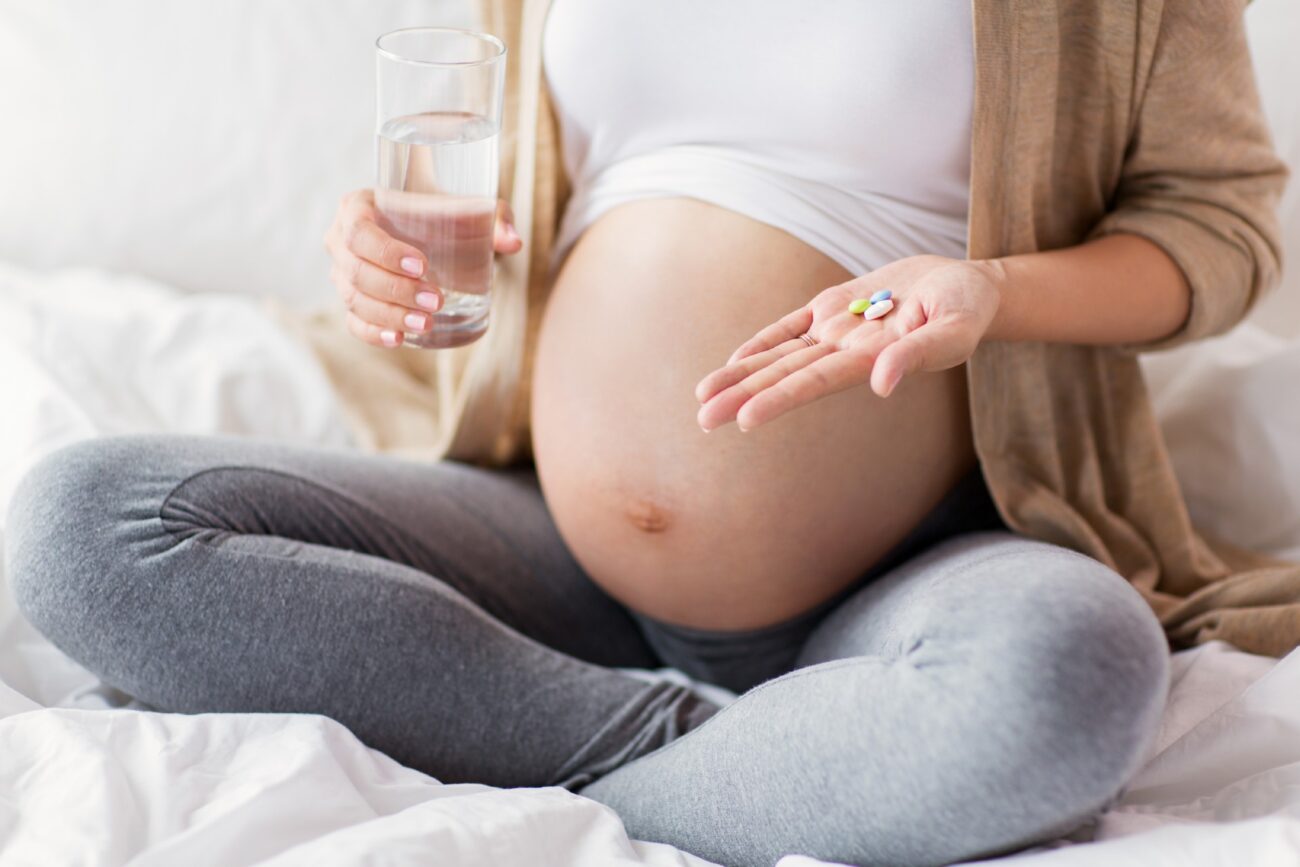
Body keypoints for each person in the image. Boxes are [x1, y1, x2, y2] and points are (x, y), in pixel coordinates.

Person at [6, 2, 1294, 866]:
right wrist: (377, 247)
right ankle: (706, 758)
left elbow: (1221, 231)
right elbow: (504, 186)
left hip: (913, 557)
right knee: (82, 528)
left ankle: (584, 772)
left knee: (1073, 679)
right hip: (547, 542)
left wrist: (995, 292)